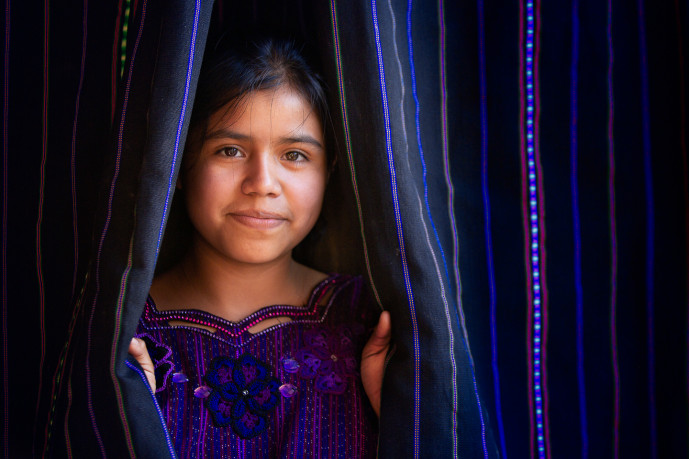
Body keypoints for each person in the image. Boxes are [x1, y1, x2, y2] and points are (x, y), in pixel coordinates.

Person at [127, 38, 391, 458]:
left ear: (329, 172)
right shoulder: (126, 335)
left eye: (294, 154)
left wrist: (396, 418)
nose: (262, 183)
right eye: (230, 150)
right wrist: (126, 419)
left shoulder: (370, 329)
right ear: (177, 163)